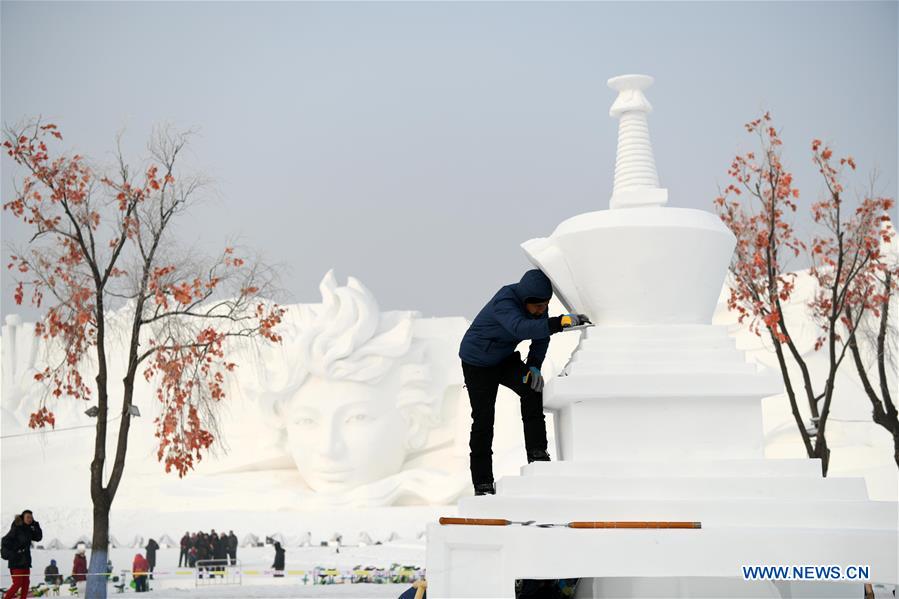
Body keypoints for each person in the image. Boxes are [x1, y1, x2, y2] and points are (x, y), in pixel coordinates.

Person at [458, 269, 590, 495]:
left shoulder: (538, 306)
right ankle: (482, 483)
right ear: (524, 299)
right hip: (477, 364)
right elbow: (520, 328)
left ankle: (537, 453)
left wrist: (534, 366)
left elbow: (541, 336)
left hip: (503, 358)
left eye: (545, 305)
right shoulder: (504, 302)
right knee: (483, 421)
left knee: (532, 387)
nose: (541, 310)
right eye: (537, 306)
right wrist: (560, 323)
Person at [1, 510, 42, 599]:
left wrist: (35, 524)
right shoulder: (16, 528)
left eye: (31, 517)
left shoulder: (29, 529)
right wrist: (11, 554)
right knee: (18, 583)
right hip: (16, 562)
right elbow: (5, 540)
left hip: (25, 562)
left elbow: (38, 537)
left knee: (26, 584)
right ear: (23, 518)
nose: (30, 519)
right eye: (28, 517)